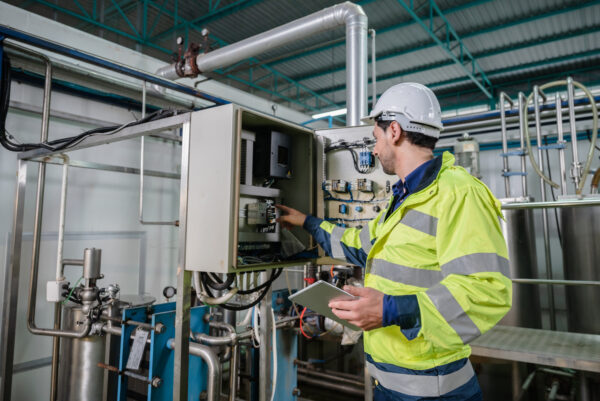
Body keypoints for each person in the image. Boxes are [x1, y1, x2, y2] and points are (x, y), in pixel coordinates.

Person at [276, 82, 511, 400]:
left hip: (433, 389)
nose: (373, 149)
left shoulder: (459, 192)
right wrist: (305, 221)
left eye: (375, 138)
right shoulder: (399, 200)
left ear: (395, 131)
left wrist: (389, 309)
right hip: (387, 383)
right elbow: (356, 245)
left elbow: (487, 291)